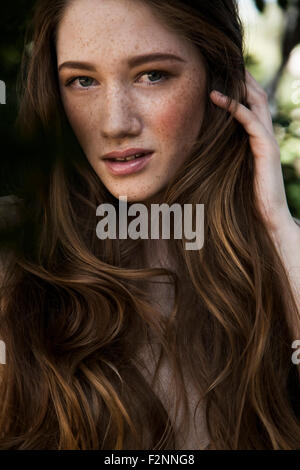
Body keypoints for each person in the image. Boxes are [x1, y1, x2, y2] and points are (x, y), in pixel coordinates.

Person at [0, 0, 300, 450]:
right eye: (82, 81)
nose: (115, 123)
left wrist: (278, 226)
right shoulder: (13, 245)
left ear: (218, 78)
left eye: (152, 74)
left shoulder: (279, 258)